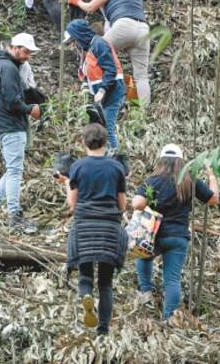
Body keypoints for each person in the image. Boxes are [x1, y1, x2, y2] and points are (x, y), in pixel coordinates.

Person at [132, 144, 219, 321]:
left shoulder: (153, 180)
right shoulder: (189, 181)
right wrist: (211, 175)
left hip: (154, 235)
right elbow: (213, 199)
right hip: (178, 237)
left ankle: (146, 290)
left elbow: (136, 204)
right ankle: (168, 318)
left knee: (143, 255)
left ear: (161, 160)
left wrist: (150, 206)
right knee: (172, 280)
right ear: (181, 161)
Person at [55, 124, 127, 335]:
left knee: (85, 275)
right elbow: (122, 205)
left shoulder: (77, 166)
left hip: (84, 225)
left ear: (83, 142)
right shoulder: (116, 168)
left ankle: (86, 296)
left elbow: (72, 203)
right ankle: (103, 330)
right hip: (109, 228)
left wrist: (66, 183)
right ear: (105, 143)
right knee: (106, 283)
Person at [68, 0, 151, 107]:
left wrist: (77, 1)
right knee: (141, 75)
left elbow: (90, 8)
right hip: (143, 29)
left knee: (95, 53)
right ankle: (144, 114)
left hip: (124, 26)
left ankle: (97, 97)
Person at [0, 33, 43, 234]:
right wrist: (30, 110)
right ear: (15, 48)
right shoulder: (8, 68)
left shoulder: (2, 66)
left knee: (12, 169)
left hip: (5, 125)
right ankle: (14, 215)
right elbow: (12, 101)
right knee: (15, 171)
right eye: (26, 52)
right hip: (11, 126)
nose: (28, 57)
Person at [64, 19, 126, 150]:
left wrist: (102, 90)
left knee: (106, 131)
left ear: (79, 35)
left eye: (74, 40)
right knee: (101, 130)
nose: (74, 44)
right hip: (105, 96)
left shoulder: (99, 44)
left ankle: (118, 163)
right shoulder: (91, 48)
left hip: (112, 93)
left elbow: (111, 69)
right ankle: (107, 159)